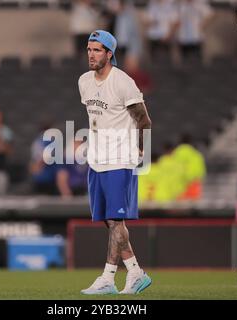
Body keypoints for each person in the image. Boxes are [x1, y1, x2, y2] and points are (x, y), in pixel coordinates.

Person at [78, 30, 152, 295]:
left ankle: (108, 278)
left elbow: (144, 120)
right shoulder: (84, 82)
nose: (91, 54)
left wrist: (141, 149)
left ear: (110, 54)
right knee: (111, 223)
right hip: (97, 161)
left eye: (97, 50)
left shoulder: (123, 82)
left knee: (116, 220)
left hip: (120, 159)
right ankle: (135, 273)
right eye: (89, 49)